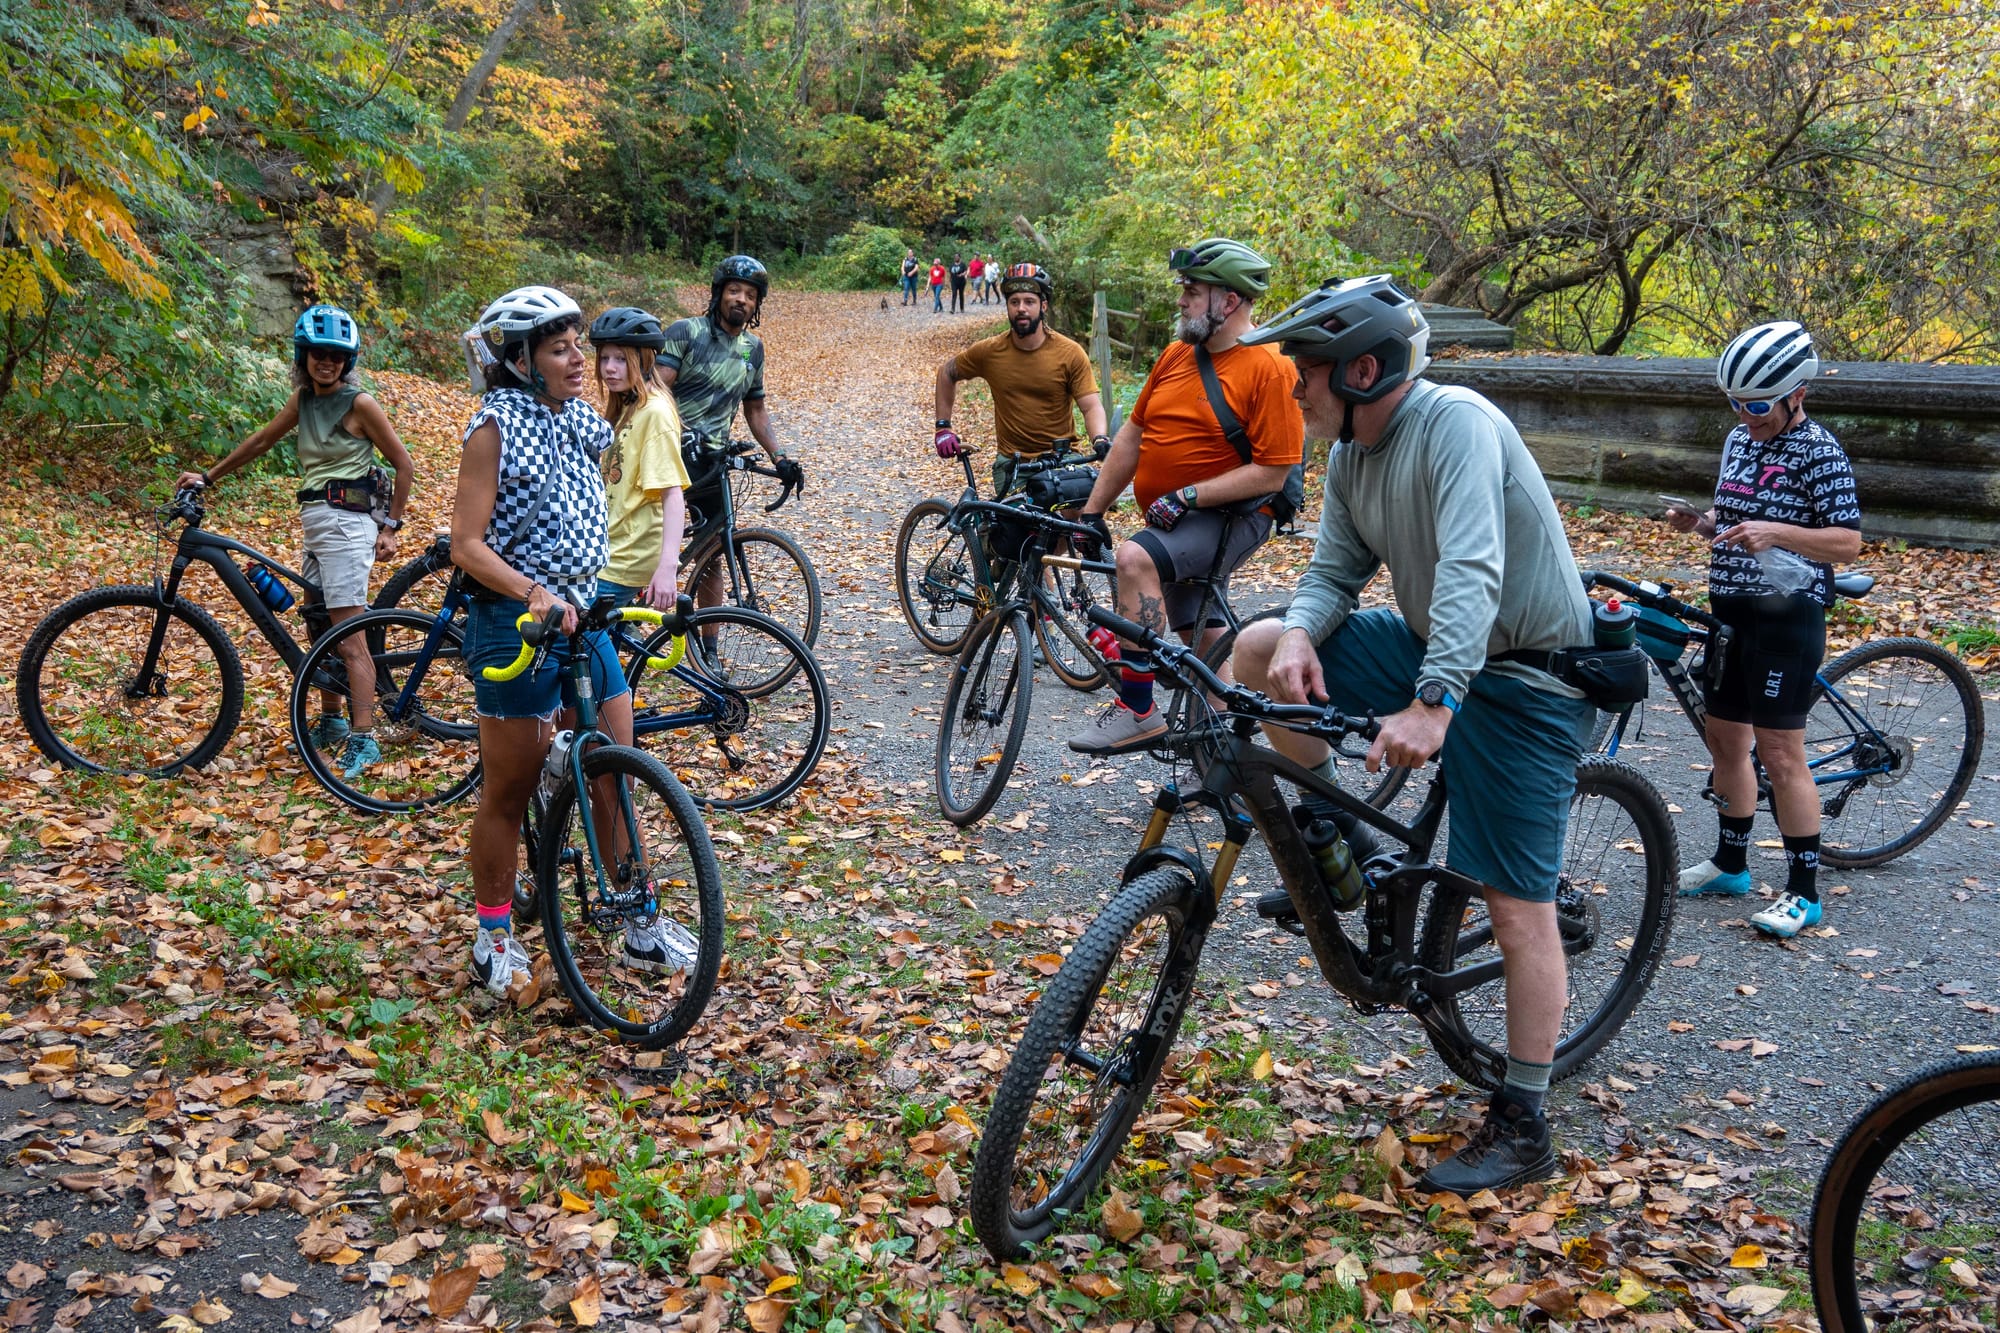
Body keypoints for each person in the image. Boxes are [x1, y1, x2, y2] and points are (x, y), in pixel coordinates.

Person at [1230, 274, 1597, 1195]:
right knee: (1258, 645)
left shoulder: (1457, 422)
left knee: (1517, 909)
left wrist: (1434, 705)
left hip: (1525, 673)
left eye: (1304, 371)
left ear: (1362, 368)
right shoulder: (1353, 455)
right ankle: (1339, 838)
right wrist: (1306, 632)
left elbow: (1475, 564)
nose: (1294, 387)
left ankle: (1523, 1122)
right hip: (1441, 647)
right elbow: (1331, 571)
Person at [450, 285, 685, 1000]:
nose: (580, 357)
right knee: (508, 789)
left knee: (618, 763)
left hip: (587, 616)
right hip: (515, 623)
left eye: (577, 343)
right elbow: (465, 543)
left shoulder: (578, 419)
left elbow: (629, 470)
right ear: (520, 360)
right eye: (561, 348)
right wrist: (532, 592)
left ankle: (639, 917)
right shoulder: (492, 426)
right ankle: (493, 936)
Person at [1067, 238, 1301, 755]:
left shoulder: (1270, 366)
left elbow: (1275, 471)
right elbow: (1132, 435)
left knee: (1134, 560)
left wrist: (1192, 494)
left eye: (1192, 292)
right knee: (1199, 634)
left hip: (1236, 513)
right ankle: (1222, 756)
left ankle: (1137, 710)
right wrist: (1092, 510)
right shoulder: (1177, 355)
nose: (1181, 301)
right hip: (1182, 516)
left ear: (1230, 301)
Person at [1668, 321, 1862, 939]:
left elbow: (1847, 542)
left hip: (1788, 615)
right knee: (1726, 740)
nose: (1746, 416)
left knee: (1780, 752)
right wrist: (1699, 524)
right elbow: (1736, 517)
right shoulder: (1738, 440)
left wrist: (1776, 533)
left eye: (1757, 406)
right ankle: (1731, 863)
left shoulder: (1820, 451)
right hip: (1731, 610)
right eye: (1736, 404)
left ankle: (1803, 892)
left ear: (1796, 395)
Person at [177, 304, 413, 781]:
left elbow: (404, 464)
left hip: (347, 524)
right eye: (317, 354)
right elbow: (263, 440)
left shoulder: (359, 403)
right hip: (316, 522)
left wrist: (391, 527)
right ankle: (331, 722)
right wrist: (208, 476)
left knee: (348, 636)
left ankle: (364, 739)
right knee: (317, 626)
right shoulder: (303, 399)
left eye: (336, 356)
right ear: (303, 356)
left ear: (347, 361)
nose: (326, 362)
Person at [660, 256, 805, 606]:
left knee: (711, 555)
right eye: (734, 290)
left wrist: (780, 456)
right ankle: (627, 618)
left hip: (711, 463)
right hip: (666, 457)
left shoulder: (751, 349)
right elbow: (655, 392)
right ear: (719, 293)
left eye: (750, 295)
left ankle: (709, 649)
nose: (742, 299)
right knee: (653, 545)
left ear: (757, 303)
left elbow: (755, 409)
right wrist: (680, 430)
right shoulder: (686, 332)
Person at [933, 262, 1107, 500]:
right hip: (1013, 464)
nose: (1021, 309)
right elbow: (947, 372)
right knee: (1015, 531)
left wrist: (1099, 438)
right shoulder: (990, 352)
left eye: (1029, 301)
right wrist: (943, 427)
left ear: (1043, 305)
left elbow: (1091, 406)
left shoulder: (1070, 353)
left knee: (1075, 521)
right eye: (1014, 302)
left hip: (1061, 458)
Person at [588, 306, 689, 609]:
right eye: (604, 358)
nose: (609, 368)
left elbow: (672, 495)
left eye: (620, 359)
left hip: (626, 558)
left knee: (580, 639)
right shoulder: (627, 404)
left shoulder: (655, 412)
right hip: (608, 547)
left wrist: (668, 568)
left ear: (643, 361)